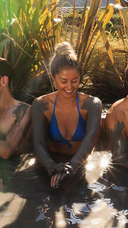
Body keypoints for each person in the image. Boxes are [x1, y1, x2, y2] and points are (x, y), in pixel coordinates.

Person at [31, 42, 102, 189]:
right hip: (50, 163)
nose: (69, 87)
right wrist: (51, 166)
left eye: (75, 81)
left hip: (80, 163)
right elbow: (38, 142)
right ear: (53, 77)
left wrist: (72, 167)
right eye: (63, 81)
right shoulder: (41, 105)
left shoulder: (91, 104)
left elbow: (91, 138)